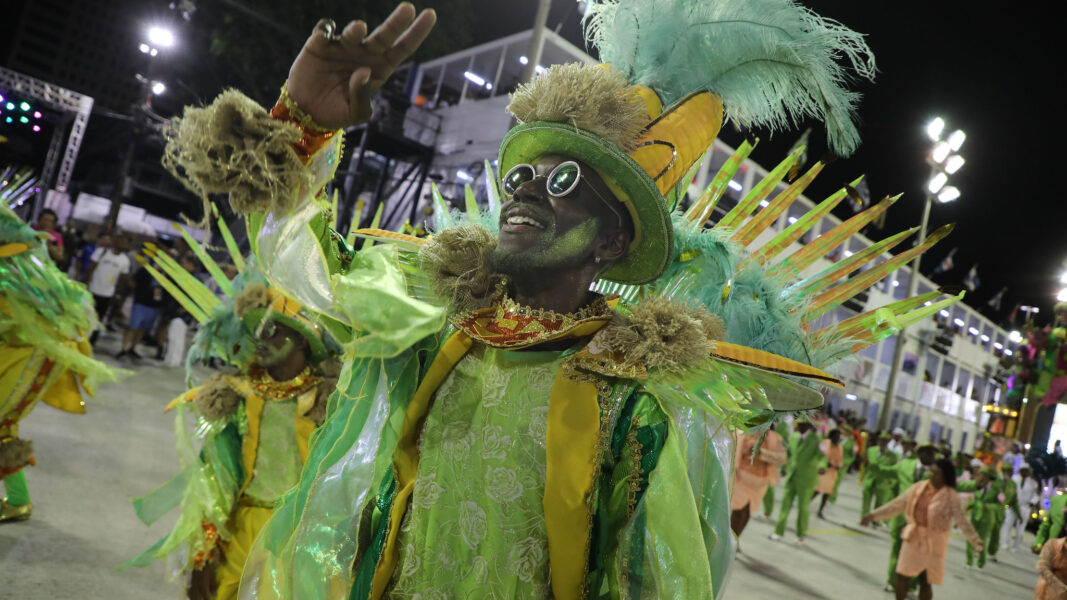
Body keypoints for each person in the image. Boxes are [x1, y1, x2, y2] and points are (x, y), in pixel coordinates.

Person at [155, 2, 956, 596]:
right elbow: (307, 271)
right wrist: (301, 128)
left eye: (564, 182)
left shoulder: (632, 400)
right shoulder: (435, 319)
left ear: (612, 242)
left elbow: (649, 575)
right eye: (522, 176)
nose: (526, 192)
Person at [127, 252, 342, 600]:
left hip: (302, 534)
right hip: (244, 525)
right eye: (257, 331)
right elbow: (215, 478)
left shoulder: (329, 401)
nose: (262, 340)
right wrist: (203, 554)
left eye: (273, 330)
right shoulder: (239, 395)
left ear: (302, 340)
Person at [1, 206, 123, 522]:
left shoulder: (21, 277)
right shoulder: (16, 271)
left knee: (2, 425)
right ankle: (18, 500)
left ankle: (18, 501)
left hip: (36, 354)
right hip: (24, 350)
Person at [862, 458, 983, 600]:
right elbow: (896, 505)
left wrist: (975, 540)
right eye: (931, 472)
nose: (932, 476)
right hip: (913, 537)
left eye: (937, 473)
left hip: (934, 543)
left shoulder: (951, 497)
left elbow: (962, 521)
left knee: (925, 581)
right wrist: (873, 515)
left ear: (946, 476)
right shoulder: (918, 488)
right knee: (902, 574)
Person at [884, 442, 937, 591]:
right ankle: (892, 581)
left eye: (932, 453)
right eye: (927, 452)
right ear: (919, 454)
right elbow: (888, 473)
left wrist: (1003, 508)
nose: (930, 456)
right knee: (896, 550)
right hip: (902, 518)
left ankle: (911, 585)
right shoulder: (905, 465)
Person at [731, 425, 788, 539]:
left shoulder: (774, 437)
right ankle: (730, 543)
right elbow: (734, 449)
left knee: (747, 512)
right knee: (739, 511)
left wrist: (762, 453)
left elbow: (782, 458)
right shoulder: (744, 432)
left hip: (759, 484)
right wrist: (748, 449)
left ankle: (735, 541)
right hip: (741, 480)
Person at [771, 420, 824, 543]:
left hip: (806, 479)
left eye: (802, 424)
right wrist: (784, 467)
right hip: (792, 476)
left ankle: (801, 534)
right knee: (785, 505)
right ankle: (778, 532)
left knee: (803, 507)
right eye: (798, 424)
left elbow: (822, 456)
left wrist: (822, 466)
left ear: (809, 426)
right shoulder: (794, 436)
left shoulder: (816, 439)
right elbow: (788, 453)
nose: (799, 426)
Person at [86, 232, 132, 341]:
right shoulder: (101, 252)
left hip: (107, 294)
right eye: (121, 241)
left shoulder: (125, 261)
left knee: (99, 318)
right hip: (93, 289)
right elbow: (91, 268)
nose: (122, 244)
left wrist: (116, 295)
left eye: (125, 243)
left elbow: (122, 280)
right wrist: (86, 283)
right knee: (86, 315)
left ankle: (91, 341)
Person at [117, 263, 166, 359]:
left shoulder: (165, 275)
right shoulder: (145, 270)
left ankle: (133, 348)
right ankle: (123, 348)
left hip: (154, 307)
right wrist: (139, 293)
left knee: (142, 329)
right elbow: (132, 282)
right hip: (140, 304)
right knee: (132, 327)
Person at [965, 467, 999, 569]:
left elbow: (1000, 505)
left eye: (982, 475)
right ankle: (969, 562)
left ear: (988, 477)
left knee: (981, 541)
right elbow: (975, 500)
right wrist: (967, 507)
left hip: (987, 519)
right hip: (975, 516)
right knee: (970, 539)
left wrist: (988, 506)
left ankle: (981, 563)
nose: (980, 476)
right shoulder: (977, 486)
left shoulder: (996, 489)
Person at [988, 461, 1022, 562]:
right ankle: (977, 549)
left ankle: (992, 553)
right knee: (983, 532)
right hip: (989, 509)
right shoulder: (995, 481)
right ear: (1003, 471)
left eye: (1011, 471)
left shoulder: (1013, 485)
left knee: (996, 534)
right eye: (1008, 471)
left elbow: (1014, 501)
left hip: (1000, 512)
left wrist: (1019, 515)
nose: (1010, 473)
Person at [862, 432, 900, 523]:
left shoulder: (893, 455)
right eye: (882, 440)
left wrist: (891, 481)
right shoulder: (871, 450)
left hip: (883, 482)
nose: (883, 442)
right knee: (866, 500)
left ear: (888, 442)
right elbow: (866, 463)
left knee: (879, 503)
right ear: (879, 440)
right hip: (870, 479)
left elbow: (893, 470)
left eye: (885, 440)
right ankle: (864, 518)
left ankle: (875, 520)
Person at [1004, 463, 1039, 552]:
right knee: (1008, 524)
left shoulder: (1033, 483)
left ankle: (1016, 546)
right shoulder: (1014, 479)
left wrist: (1032, 503)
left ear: (1029, 472)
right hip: (1012, 505)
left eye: (1026, 471)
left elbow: (1036, 496)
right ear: (1020, 471)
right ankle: (1005, 543)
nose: (1024, 472)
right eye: (1023, 470)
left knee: (1020, 528)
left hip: (1025, 507)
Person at [814, 429, 843, 519]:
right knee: (817, 490)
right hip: (823, 470)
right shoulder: (825, 443)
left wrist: (839, 465)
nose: (837, 439)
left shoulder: (840, 447)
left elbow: (840, 459)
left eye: (839, 437)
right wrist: (824, 464)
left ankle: (820, 510)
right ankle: (805, 504)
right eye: (836, 436)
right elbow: (820, 455)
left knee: (827, 493)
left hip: (832, 472)